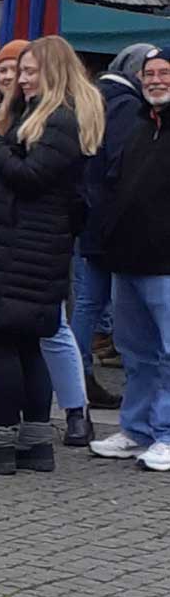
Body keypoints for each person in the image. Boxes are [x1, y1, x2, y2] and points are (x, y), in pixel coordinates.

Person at [0, 37, 104, 475]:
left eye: (30, 71)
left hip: (21, 250)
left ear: (54, 71)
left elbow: (30, 176)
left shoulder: (59, 119)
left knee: (3, 343)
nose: (21, 79)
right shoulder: (47, 116)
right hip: (30, 248)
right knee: (27, 344)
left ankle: (0, 443)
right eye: (19, 71)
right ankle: (35, 442)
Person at [91, 46, 170, 471]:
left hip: (165, 263)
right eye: (149, 74)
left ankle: (167, 433)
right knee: (135, 352)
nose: (156, 80)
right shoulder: (140, 125)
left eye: (164, 73)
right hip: (128, 259)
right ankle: (136, 429)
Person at [73, 42, 158, 408]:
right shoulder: (126, 105)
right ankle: (80, 373)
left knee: (88, 300)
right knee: (97, 301)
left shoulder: (96, 97)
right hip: (112, 221)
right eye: (148, 72)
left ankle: (76, 375)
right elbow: (123, 167)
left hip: (92, 216)